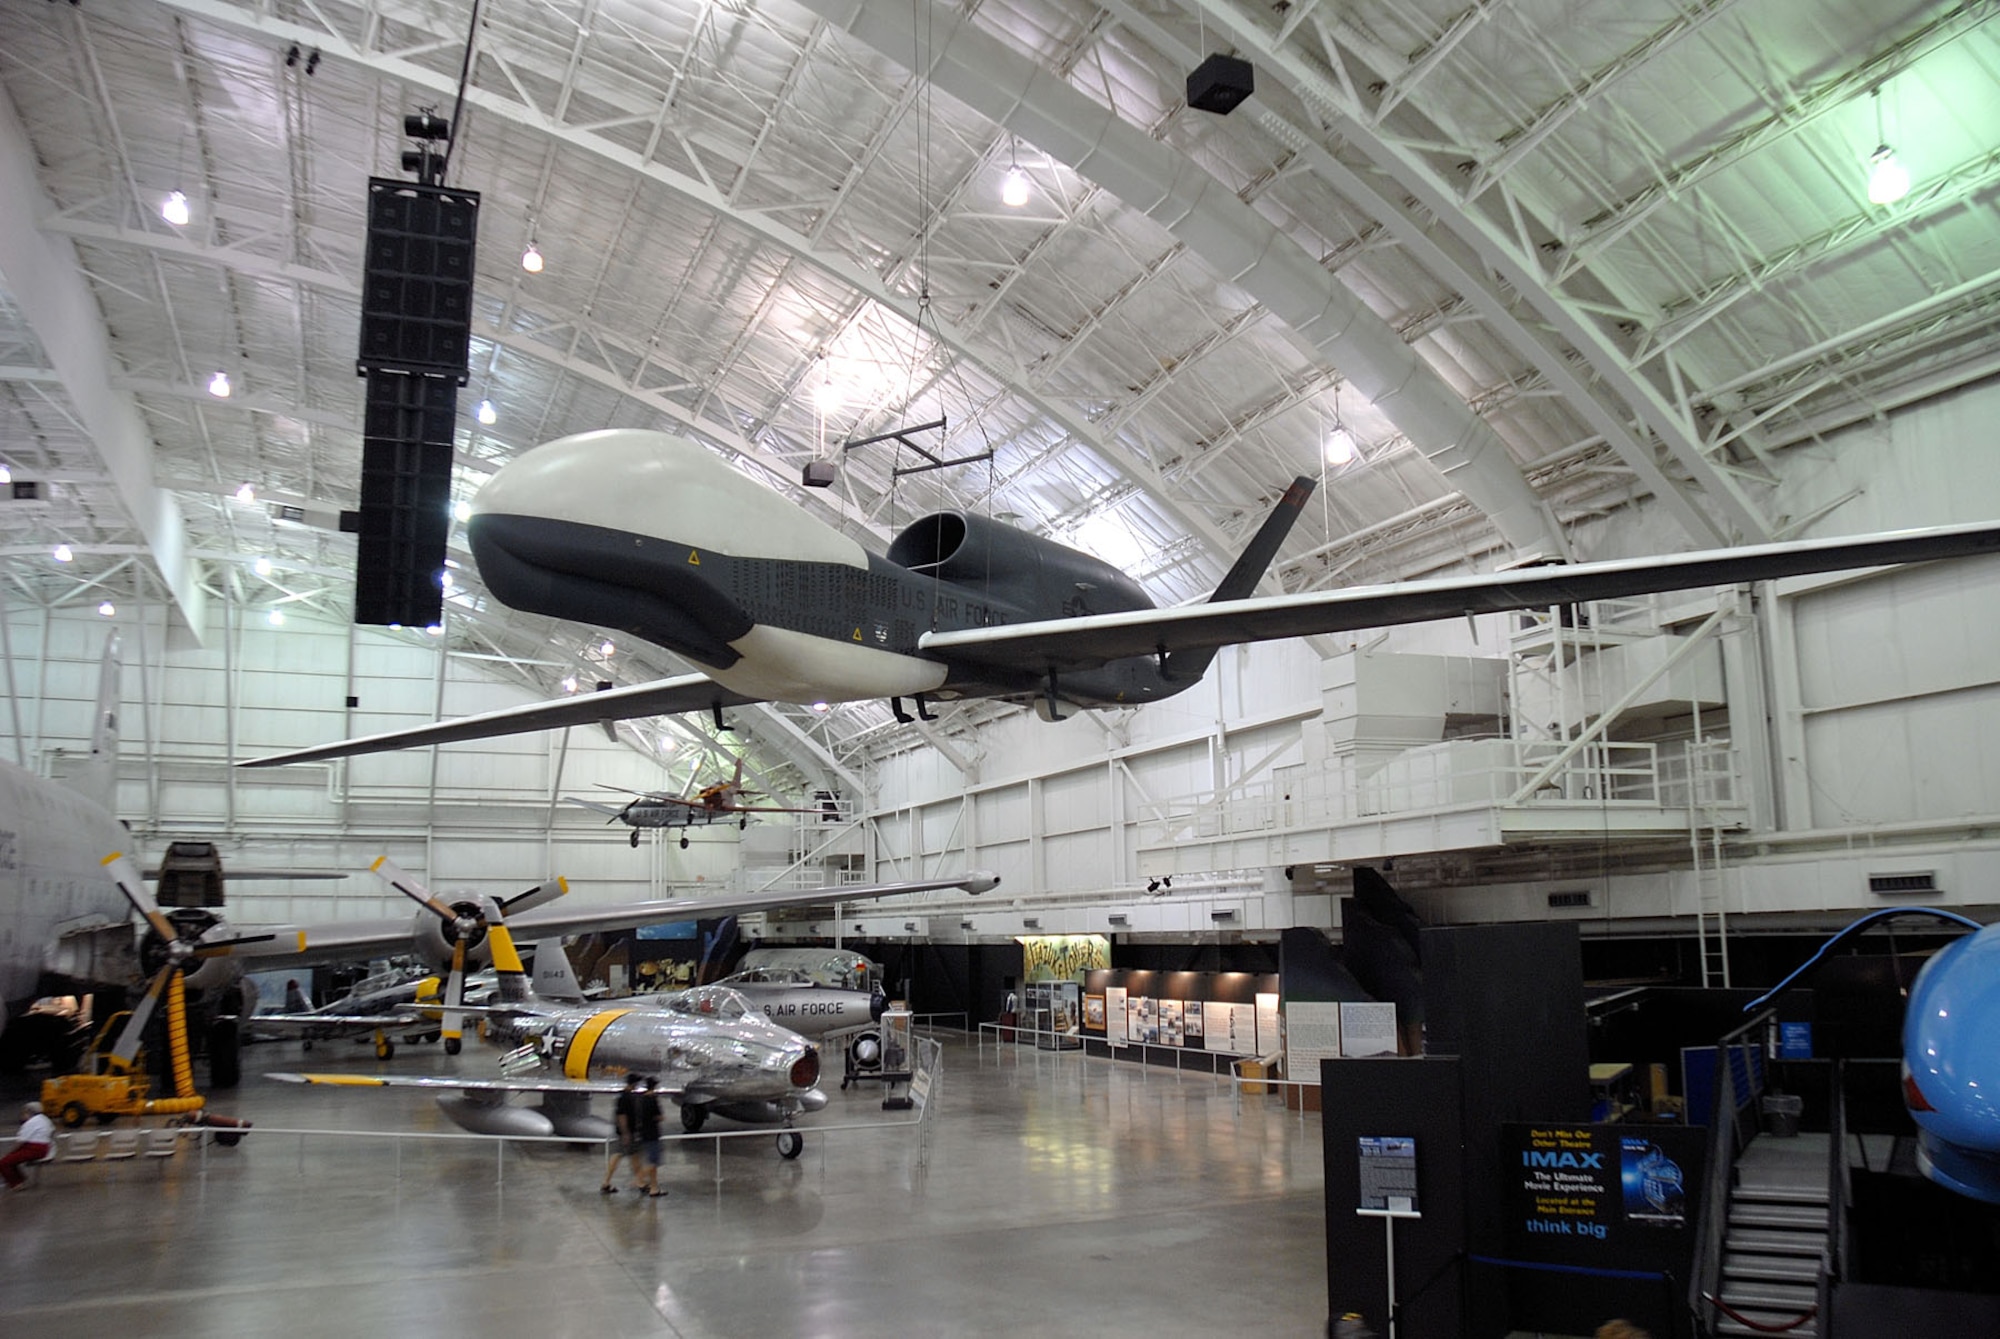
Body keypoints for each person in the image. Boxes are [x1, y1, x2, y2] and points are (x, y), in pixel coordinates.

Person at [602, 1073, 642, 1194]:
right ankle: (606, 1182)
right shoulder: (625, 1097)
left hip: (628, 1132)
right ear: (634, 1084)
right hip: (627, 1133)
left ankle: (640, 1182)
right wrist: (625, 1132)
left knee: (633, 1156)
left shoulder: (625, 1096)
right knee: (619, 1155)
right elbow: (622, 1115)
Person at [2, 1101, 55, 1190]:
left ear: (29, 1112)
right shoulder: (44, 1119)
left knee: (4, 1162)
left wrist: (10, 1152)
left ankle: (16, 1183)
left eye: (24, 1112)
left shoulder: (30, 1123)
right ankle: (19, 1179)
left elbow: (21, 1141)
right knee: (11, 1160)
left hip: (34, 1149)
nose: (22, 1115)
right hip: (44, 1147)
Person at [637, 1076, 667, 1198]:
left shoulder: (641, 1099)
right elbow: (659, 1116)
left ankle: (654, 1188)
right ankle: (639, 1180)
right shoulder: (652, 1099)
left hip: (644, 1133)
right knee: (653, 1162)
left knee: (652, 1162)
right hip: (653, 1134)